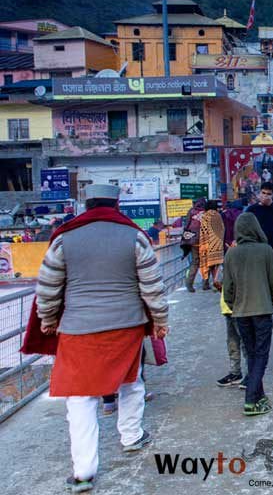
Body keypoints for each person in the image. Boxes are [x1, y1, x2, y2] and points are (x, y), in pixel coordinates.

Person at [26, 184, 169, 493]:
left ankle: (83, 472)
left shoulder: (64, 238)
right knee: (131, 381)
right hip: (127, 325)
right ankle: (131, 437)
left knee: (80, 398)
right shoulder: (134, 236)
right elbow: (152, 286)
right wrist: (160, 321)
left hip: (78, 329)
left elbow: (47, 288)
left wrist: (49, 321)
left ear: (86, 204)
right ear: (116, 204)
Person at [222, 213, 273, 416]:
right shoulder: (266, 251)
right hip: (262, 310)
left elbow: (227, 287)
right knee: (261, 356)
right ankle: (250, 400)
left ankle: (259, 397)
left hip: (240, 313)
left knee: (252, 354)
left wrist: (234, 305)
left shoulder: (231, 254)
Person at [245, 182, 273, 250]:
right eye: (263, 193)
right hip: (258, 247)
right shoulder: (252, 209)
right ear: (260, 193)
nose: (265, 196)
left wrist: (271, 205)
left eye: (269, 194)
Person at [198, 200, 225, 290]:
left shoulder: (205, 216)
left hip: (207, 244)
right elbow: (222, 229)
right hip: (218, 243)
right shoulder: (218, 216)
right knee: (216, 264)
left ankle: (206, 283)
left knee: (207, 264)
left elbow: (203, 230)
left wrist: (204, 243)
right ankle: (216, 281)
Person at [182, 199, 205, 292]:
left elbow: (186, 225)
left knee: (195, 262)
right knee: (205, 263)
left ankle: (189, 283)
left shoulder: (191, 211)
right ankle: (205, 284)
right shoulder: (207, 212)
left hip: (192, 240)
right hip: (204, 241)